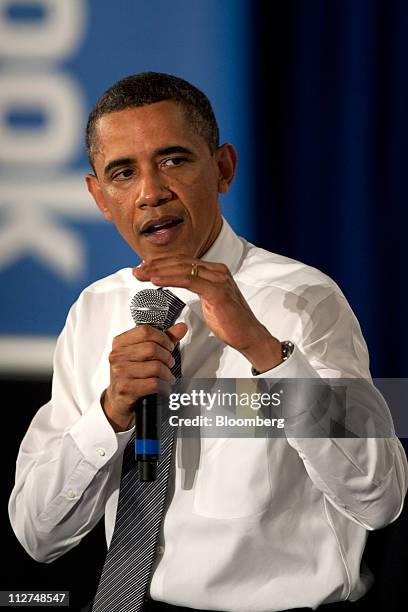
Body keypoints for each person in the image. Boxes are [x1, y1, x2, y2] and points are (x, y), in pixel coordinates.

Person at [9, 72, 408, 612]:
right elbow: (38, 535)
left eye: (173, 160)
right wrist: (109, 414)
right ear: (99, 197)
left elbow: (380, 497)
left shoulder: (303, 300)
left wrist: (266, 353)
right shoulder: (93, 311)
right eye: (123, 173)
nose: (151, 192)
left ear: (223, 168)